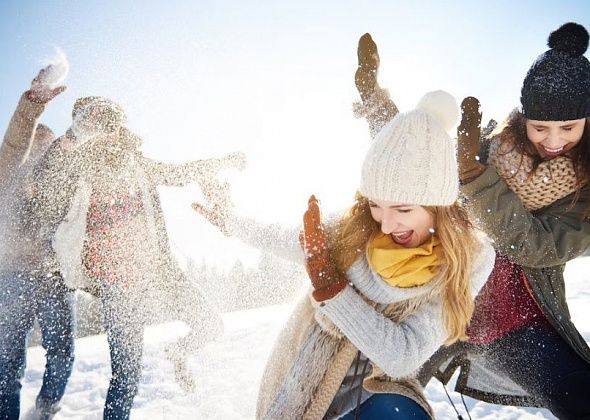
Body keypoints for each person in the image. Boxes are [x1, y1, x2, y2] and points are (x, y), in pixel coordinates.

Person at [193, 90, 495, 419]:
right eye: (376, 204)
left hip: (376, 388)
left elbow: (402, 356)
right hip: (308, 381)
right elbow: (282, 238)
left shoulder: (471, 257)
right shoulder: (354, 228)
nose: (387, 223)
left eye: (403, 208)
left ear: (439, 206)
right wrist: (230, 221)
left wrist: (332, 289)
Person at [354, 24, 590, 418]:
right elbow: (414, 161)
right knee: (384, 406)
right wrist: (374, 97)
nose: (552, 141)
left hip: (513, 326)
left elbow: (534, 247)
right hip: (435, 309)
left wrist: (475, 180)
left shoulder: (584, 196)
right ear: (523, 119)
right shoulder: (487, 148)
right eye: (540, 127)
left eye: (568, 128)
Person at [31, 96, 242, 419]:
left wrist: (222, 161)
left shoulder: (136, 162)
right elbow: (46, 184)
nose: (109, 133)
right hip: (118, 288)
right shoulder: (76, 171)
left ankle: (177, 351)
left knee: (210, 324)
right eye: (98, 126)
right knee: (126, 377)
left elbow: (180, 172)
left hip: (160, 273)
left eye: (113, 124)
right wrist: (74, 135)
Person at [0, 65, 74, 420]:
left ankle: (45, 408)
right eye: (37, 144)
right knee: (7, 362)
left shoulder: (57, 184)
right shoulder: (9, 169)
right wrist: (31, 106)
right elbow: (15, 141)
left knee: (61, 352)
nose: (41, 153)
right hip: (11, 275)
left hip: (52, 276)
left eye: (48, 147)